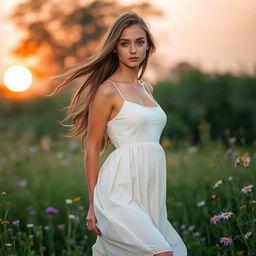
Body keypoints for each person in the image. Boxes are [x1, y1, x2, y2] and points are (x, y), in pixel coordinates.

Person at [48, 12, 187, 256]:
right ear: (115, 48)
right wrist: (93, 203)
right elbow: (92, 148)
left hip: (149, 189)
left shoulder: (147, 88)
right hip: (117, 189)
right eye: (125, 43)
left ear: (148, 46)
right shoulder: (107, 91)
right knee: (162, 252)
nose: (133, 49)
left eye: (139, 42)